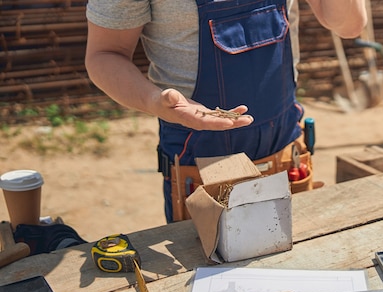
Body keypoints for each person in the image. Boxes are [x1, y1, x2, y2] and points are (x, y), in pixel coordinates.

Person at [85, 0, 367, 222]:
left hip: (286, 149)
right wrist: (154, 102)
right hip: (200, 155)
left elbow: (350, 25)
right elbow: (105, 54)